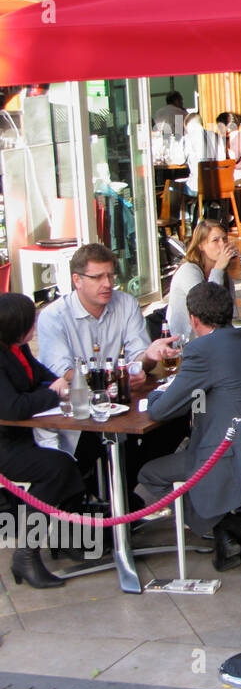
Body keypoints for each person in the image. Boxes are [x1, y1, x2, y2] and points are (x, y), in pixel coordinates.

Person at [136, 282, 241, 570]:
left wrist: (155, 392)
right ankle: (224, 528)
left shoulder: (201, 350)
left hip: (230, 455)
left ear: (193, 319)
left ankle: (223, 524)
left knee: (149, 473)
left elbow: (160, 410)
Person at [35, 244, 179, 460]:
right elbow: (63, 372)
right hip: (78, 416)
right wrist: (117, 377)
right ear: (77, 280)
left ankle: (127, 485)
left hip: (123, 406)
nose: (108, 284)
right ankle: (113, 486)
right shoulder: (53, 316)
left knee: (176, 419)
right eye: (97, 277)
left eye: (111, 276)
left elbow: (137, 358)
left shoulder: (126, 304)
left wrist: (148, 357)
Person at [0, 292, 85, 588]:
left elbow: (43, 377)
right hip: (4, 446)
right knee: (57, 468)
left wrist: (64, 382)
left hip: (21, 437)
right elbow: (11, 407)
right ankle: (26, 554)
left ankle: (67, 537)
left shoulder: (18, 349)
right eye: (29, 323)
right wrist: (53, 392)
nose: (34, 327)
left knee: (78, 455)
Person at [165, 220, 238, 341]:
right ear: (200, 245)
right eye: (215, 240)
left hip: (214, 339)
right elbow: (207, 309)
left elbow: (232, 316)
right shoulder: (188, 270)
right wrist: (218, 268)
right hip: (186, 343)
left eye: (224, 239)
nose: (223, 244)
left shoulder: (224, 275)